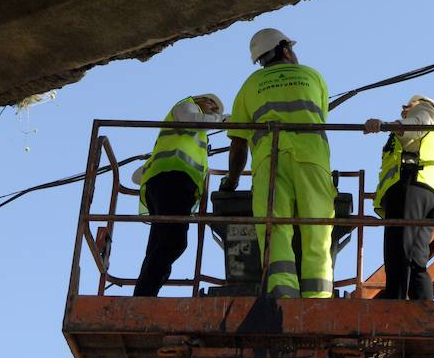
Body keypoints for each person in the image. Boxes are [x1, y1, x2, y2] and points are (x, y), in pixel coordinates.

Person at [224, 28, 336, 299]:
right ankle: (318, 300)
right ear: (285, 50)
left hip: (268, 162)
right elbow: (321, 112)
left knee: (274, 229)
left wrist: (232, 180)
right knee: (317, 229)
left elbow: (238, 142)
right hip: (311, 158)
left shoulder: (250, 85)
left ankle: (283, 296)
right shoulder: (312, 76)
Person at [132, 94, 226, 297]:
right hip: (174, 182)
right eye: (211, 103)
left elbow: (137, 176)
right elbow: (193, 120)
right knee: (174, 242)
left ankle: (144, 294)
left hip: (168, 185)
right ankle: (145, 295)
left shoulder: (189, 139)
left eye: (217, 109)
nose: (214, 109)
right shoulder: (186, 107)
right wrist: (225, 119)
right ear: (198, 99)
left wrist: (154, 174)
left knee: (159, 245)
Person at [364, 95, 434, 301]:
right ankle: (424, 315)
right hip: (425, 194)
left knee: (398, 255)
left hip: (411, 186)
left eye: (408, 106)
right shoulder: (423, 133)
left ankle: (394, 308)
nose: (404, 109)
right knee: (416, 260)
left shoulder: (425, 110)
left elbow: (416, 125)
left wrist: (385, 126)